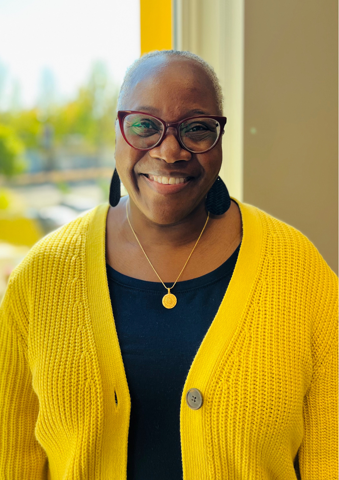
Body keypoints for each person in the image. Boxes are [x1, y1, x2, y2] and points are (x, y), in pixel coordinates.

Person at [0, 50, 337, 480]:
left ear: (219, 138)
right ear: (119, 132)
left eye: (197, 129)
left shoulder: (300, 273)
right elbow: (11, 463)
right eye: (145, 125)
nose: (170, 151)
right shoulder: (40, 278)